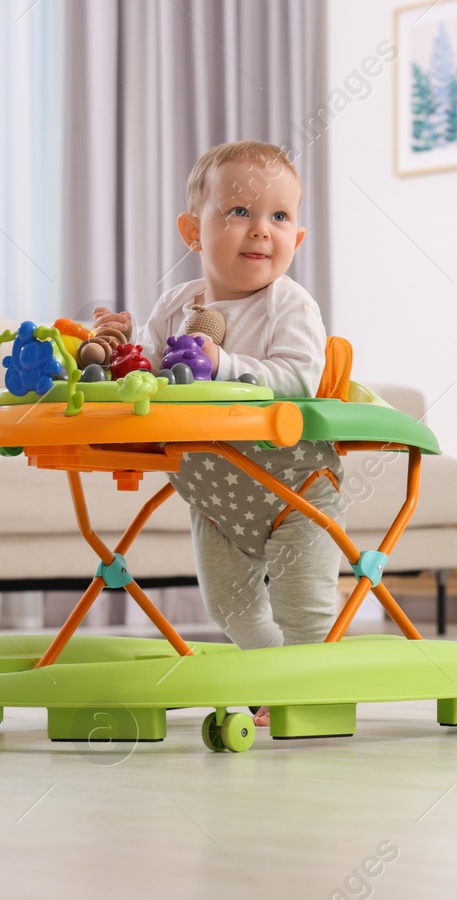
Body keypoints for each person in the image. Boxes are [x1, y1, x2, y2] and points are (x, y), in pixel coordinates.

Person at [92, 140, 341, 728]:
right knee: (229, 606)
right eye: (239, 212)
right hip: (210, 490)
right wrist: (116, 349)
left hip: (296, 489)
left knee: (303, 607)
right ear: (192, 231)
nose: (261, 231)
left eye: (280, 217)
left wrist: (222, 363)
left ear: (297, 239)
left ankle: (310, 698)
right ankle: (269, 680)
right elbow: (146, 374)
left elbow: (300, 377)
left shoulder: (289, 306)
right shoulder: (175, 305)